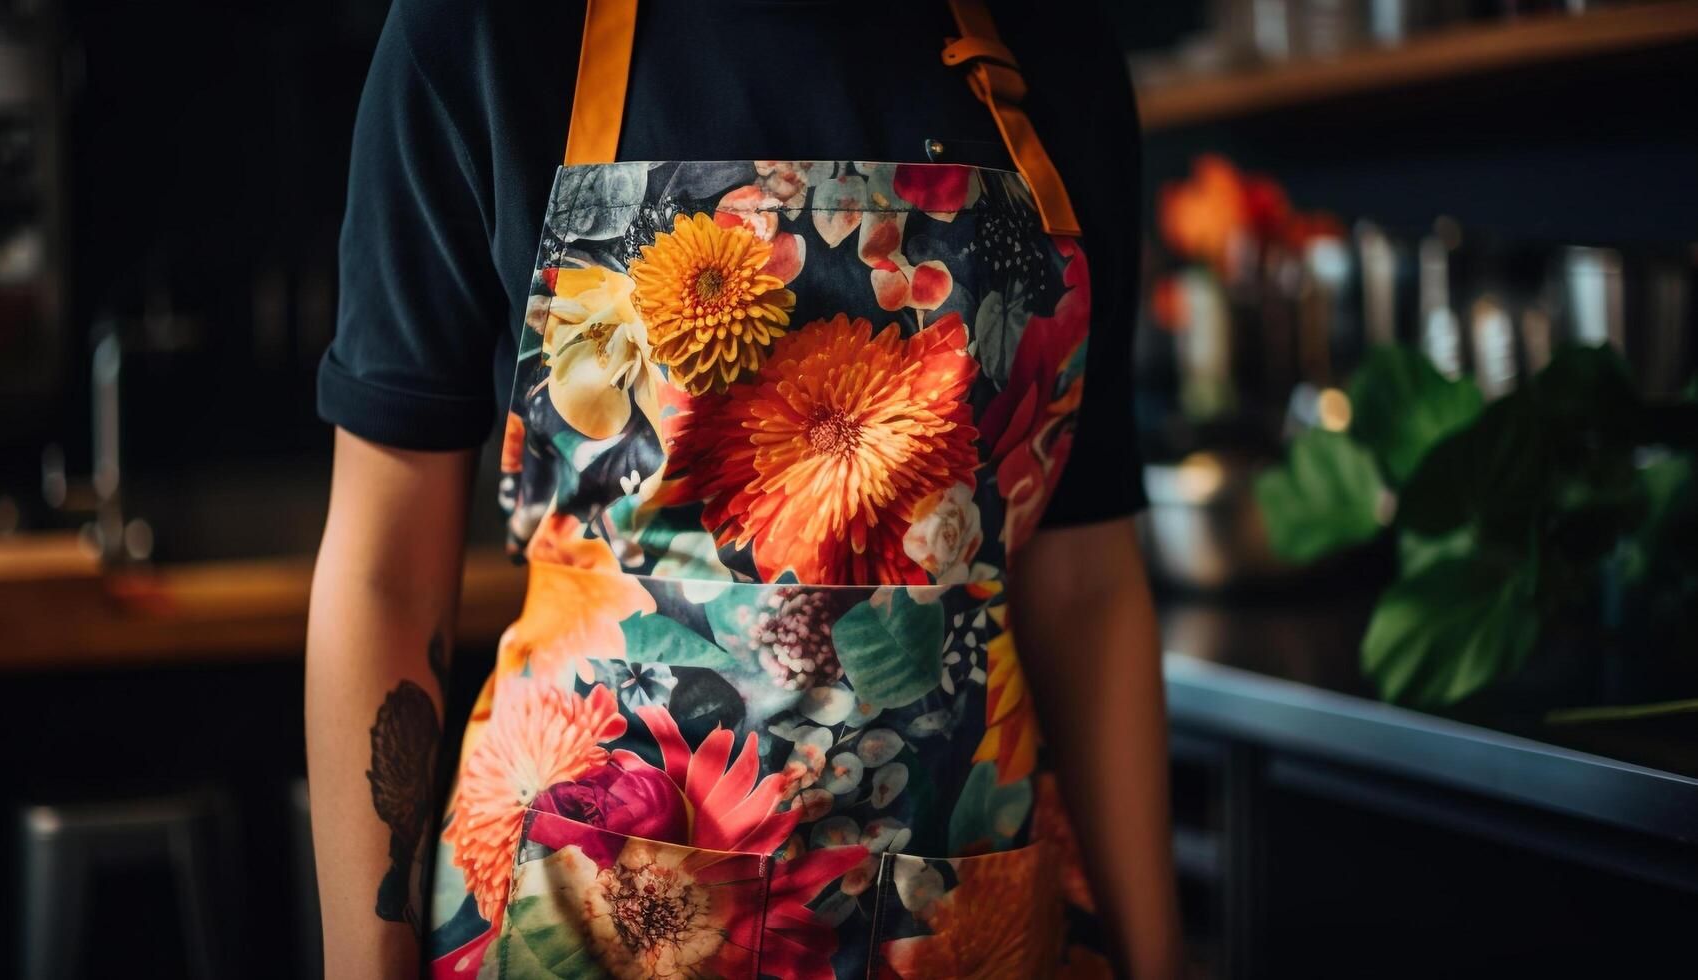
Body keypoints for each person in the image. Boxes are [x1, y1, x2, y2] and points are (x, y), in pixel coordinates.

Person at [306, 0, 1183, 976]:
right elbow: (383, 570)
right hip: (585, 914)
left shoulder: (1052, 44)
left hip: (959, 910)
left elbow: (1085, 580)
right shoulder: (485, 29)